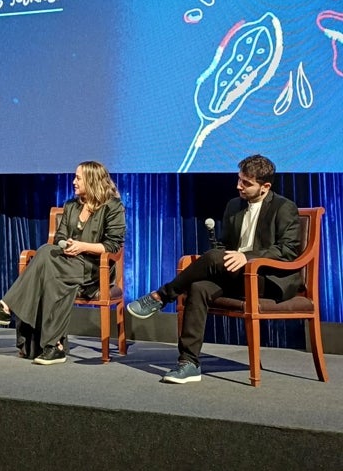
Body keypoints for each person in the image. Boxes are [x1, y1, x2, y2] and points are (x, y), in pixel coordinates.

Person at [127, 154, 302, 384]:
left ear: (265, 186)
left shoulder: (284, 207)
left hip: (268, 277)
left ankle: (161, 296)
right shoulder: (234, 205)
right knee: (199, 287)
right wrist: (230, 254)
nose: (238, 186)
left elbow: (288, 250)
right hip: (238, 275)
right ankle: (188, 363)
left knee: (211, 258)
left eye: (246, 183)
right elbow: (226, 247)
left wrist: (246, 257)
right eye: (239, 179)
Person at [0, 161, 126, 365]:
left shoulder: (113, 207)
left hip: (95, 269)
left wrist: (82, 246)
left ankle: (6, 307)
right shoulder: (71, 206)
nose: (73, 181)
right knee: (50, 262)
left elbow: (113, 245)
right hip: (66, 263)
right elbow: (60, 237)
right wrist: (68, 245)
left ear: (91, 180)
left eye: (78, 177)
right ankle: (54, 347)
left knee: (46, 254)